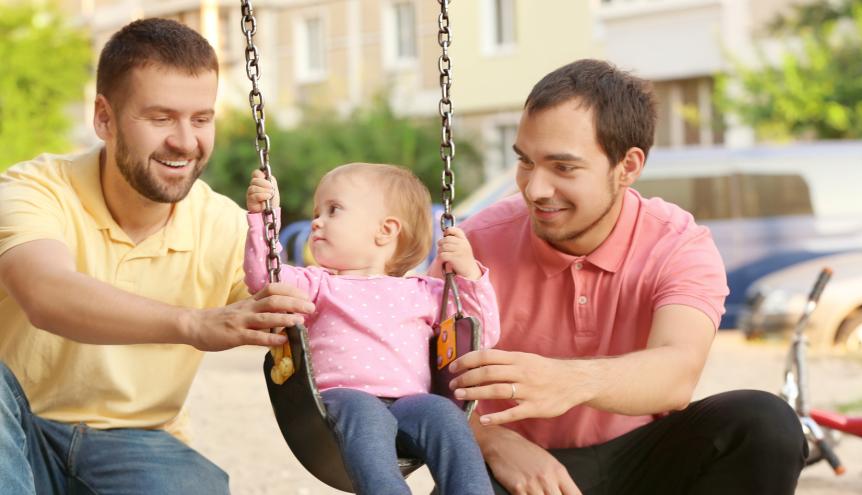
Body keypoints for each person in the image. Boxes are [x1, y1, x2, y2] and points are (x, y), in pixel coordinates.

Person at [433, 59, 807, 495]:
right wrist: (489, 439)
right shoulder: (475, 243)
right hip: (523, 469)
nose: (534, 189)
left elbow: (676, 373)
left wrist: (568, 381)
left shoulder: (677, 244)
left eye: (564, 167)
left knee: (764, 422)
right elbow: (418, 374)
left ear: (628, 166)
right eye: (525, 162)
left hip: (645, 460)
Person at [0, 19, 313, 495]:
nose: (185, 142)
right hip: (16, 433)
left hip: (136, 445)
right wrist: (193, 324)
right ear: (103, 117)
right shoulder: (32, 191)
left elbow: (312, 317)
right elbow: (46, 293)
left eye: (201, 118)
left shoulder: (224, 225)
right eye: (161, 117)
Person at [245, 163, 499, 494]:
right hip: (342, 401)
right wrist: (263, 218)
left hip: (411, 402)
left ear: (386, 231)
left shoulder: (425, 290)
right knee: (365, 411)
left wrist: (468, 274)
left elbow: (480, 334)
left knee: (443, 413)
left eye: (333, 209)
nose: (316, 221)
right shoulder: (316, 285)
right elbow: (264, 278)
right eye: (316, 211)